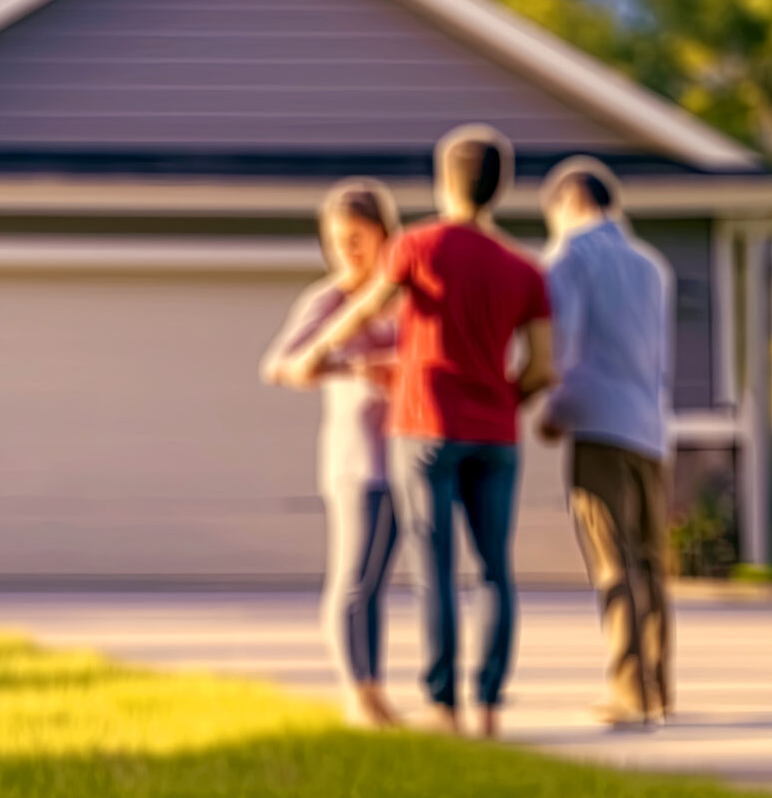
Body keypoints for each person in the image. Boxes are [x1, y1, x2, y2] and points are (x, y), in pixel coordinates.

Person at [278, 124, 556, 738]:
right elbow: (540, 367)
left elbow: (368, 307)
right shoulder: (526, 270)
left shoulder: (417, 246)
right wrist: (503, 400)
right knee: (493, 572)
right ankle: (487, 708)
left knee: (435, 569)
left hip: (426, 426)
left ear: (442, 181)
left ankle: (443, 707)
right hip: (497, 436)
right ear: (501, 188)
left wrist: (315, 352)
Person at [537, 156, 676, 729]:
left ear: (567, 205)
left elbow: (563, 347)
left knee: (611, 560)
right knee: (650, 562)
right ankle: (658, 687)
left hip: (597, 422)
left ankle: (627, 689)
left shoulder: (568, 258)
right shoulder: (651, 266)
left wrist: (553, 411)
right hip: (651, 427)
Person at [262, 180, 403, 727]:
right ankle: (356, 692)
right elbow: (280, 366)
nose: (347, 252)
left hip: (403, 458)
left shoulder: (403, 299)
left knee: (379, 582)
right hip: (355, 460)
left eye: (358, 240)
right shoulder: (328, 301)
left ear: (385, 237)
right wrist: (349, 367)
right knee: (353, 579)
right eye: (336, 241)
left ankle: (374, 687)